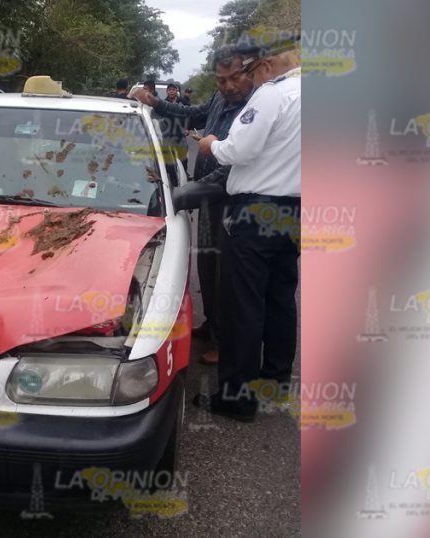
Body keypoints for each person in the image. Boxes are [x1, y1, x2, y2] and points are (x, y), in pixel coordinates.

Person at [194, 35, 302, 422]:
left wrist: (210, 145)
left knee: (243, 304)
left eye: (244, 73)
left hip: (255, 212)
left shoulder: (272, 94)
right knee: (279, 300)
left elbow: (239, 150)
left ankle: (237, 398)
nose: (245, 83)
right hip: (294, 211)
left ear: (260, 65)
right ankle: (274, 384)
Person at [131, 46, 255, 365]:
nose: (227, 85)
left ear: (251, 72)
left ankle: (224, 341)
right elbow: (193, 114)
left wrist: (183, 195)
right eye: (221, 79)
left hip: (230, 200)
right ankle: (212, 326)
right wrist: (156, 103)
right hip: (208, 195)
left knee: (225, 273)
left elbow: (234, 167)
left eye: (234, 77)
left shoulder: (255, 108)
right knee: (207, 266)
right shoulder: (218, 99)